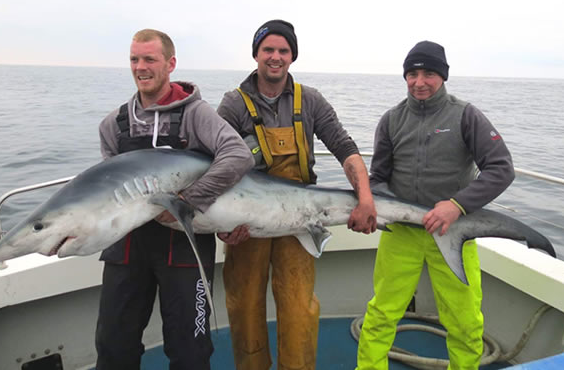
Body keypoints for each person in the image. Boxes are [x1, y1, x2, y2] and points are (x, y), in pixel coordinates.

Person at [217, 19, 378, 370]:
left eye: (283, 50)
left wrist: (365, 199)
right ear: (256, 54)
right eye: (268, 50)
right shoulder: (233, 104)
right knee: (243, 306)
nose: (275, 57)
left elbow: (345, 148)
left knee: (298, 308)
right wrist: (221, 227)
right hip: (247, 224)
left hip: (298, 221)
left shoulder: (311, 101)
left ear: (293, 56)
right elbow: (214, 168)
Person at [95, 28, 254, 370]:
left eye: (149, 59)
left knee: (190, 351)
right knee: (113, 346)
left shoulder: (196, 115)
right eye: (134, 59)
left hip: (184, 245)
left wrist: (189, 200)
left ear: (170, 64)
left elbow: (238, 156)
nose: (141, 67)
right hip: (127, 246)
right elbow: (106, 188)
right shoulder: (113, 125)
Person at [356, 41, 515, 370]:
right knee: (381, 313)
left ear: (442, 76)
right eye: (412, 74)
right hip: (401, 234)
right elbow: (379, 176)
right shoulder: (391, 120)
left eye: (429, 73)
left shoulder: (465, 115)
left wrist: (457, 205)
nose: (419, 81)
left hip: (453, 232)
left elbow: (501, 168)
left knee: (464, 320)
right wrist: (378, 204)